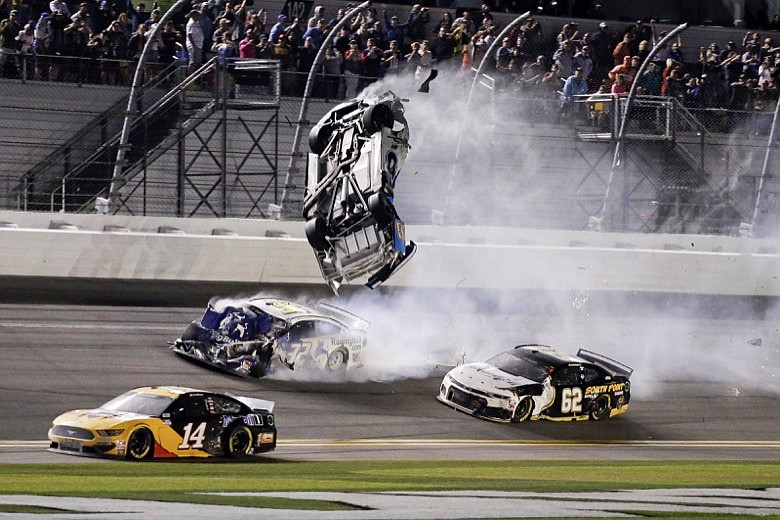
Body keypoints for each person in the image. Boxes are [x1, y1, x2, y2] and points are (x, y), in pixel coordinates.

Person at [185, 8, 203, 75]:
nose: (198, 16)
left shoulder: (197, 22)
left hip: (199, 44)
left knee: (197, 62)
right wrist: (194, 45)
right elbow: (189, 35)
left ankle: (194, 77)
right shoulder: (191, 23)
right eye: (196, 15)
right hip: (194, 45)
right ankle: (189, 77)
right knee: (192, 62)